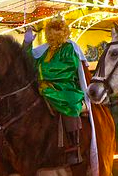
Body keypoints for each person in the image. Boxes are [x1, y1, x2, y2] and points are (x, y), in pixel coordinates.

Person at [24, 16, 87, 165]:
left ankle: (74, 144)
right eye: (51, 31)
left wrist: (44, 72)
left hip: (64, 86)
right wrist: (27, 44)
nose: (53, 34)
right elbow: (27, 61)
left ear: (64, 32)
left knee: (70, 104)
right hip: (42, 86)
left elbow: (67, 67)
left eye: (57, 31)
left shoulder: (70, 48)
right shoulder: (44, 50)